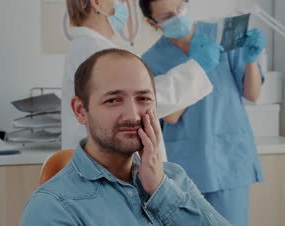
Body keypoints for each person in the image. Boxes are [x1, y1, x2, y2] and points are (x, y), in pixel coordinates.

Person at [16, 48, 246, 226]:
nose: (133, 115)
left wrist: (160, 188)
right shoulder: (52, 208)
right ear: (80, 111)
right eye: (113, 100)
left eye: (143, 99)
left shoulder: (173, 178)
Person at [139, 0, 265, 226]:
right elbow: (172, 115)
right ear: (152, 22)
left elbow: (252, 93)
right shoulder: (149, 61)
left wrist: (251, 59)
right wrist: (197, 67)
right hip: (187, 162)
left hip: (229, 158)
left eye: (179, 8)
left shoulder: (220, 35)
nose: (177, 16)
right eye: (167, 16)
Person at [62, 0, 223, 150]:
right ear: (97, 2)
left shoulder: (90, 47)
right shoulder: (95, 51)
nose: (125, 5)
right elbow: (143, 101)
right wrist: (197, 67)